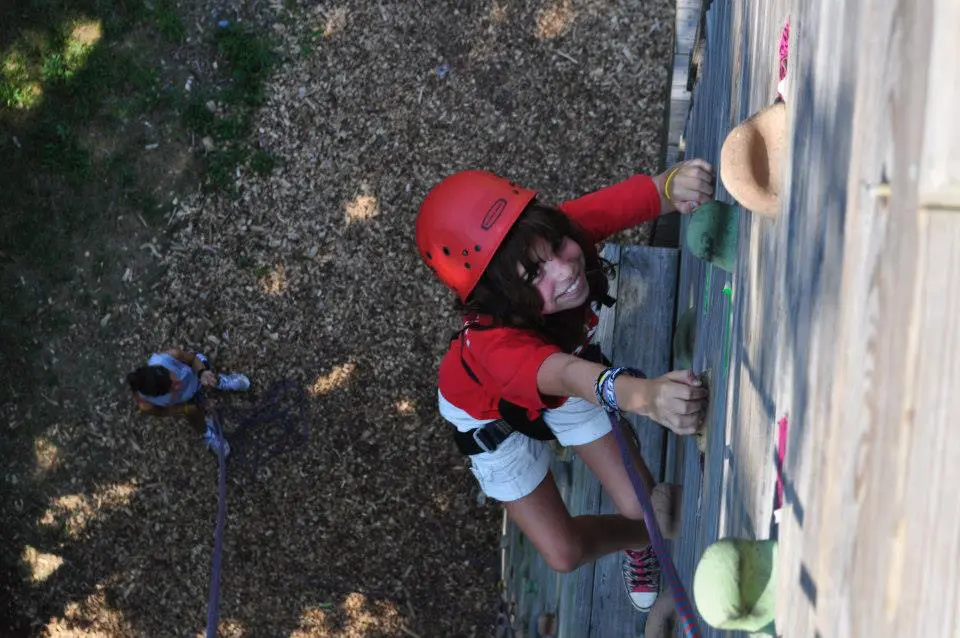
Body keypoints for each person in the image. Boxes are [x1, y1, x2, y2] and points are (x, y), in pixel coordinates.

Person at [415, 161, 713, 611]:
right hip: (491, 422)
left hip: (562, 374)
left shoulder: (552, 243)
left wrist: (677, 186)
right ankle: (640, 540)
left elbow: (649, 195)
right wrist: (646, 396)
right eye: (534, 276)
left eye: (556, 245)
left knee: (643, 503)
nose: (564, 269)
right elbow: (567, 376)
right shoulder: (495, 350)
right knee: (563, 553)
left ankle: (643, 528)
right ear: (499, 297)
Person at [127, 348, 251, 457]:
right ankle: (207, 433)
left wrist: (202, 372)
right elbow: (162, 411)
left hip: (195, 377)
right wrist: (187, 408)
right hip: (184, 399)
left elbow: (192, 359)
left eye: (173, 379)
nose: (178, 385)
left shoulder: (169, 356)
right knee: (193, 414)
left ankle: (221, 382)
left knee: (209, 377)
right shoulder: (145, 403)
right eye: (171, 389)